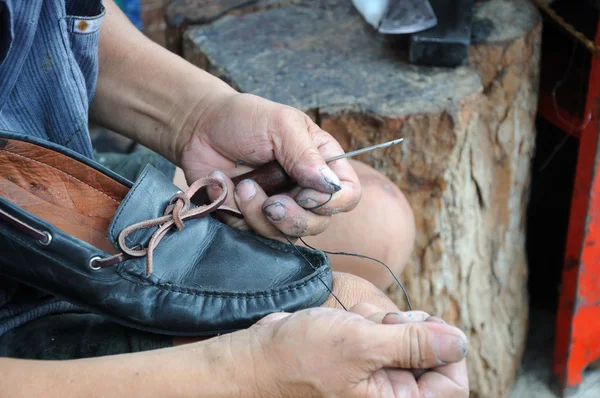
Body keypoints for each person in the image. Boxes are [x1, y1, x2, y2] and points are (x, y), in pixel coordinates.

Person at [0, 1, 469, 396]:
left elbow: (56, 20)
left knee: (377, 220)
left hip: (23, 166)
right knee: (344, 307)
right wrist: (245, 373)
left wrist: (197, 114)